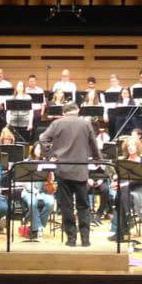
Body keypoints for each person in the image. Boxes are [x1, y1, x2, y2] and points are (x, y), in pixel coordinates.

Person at [40, 101, 101, 247]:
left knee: (66, 206)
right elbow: (93, 143)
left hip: (63, 169)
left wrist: (50, 155)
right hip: (81, 169)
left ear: (63, 112)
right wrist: (98, 159)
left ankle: (71, 239)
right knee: (83, 206)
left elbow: (43, 138)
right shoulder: (85, 123)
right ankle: (85, 240)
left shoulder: (57, 123)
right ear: (77, 110)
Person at [109, 135, 142, 241]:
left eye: (133, 145)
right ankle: (126, 219)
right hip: (124, 191)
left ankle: (121, 231)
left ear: (137, 147)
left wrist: (124, 184)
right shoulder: (123, 161)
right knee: (122, 194)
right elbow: (119, 177)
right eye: (128, 146)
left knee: (121, 195)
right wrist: (115, 183)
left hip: (138, 190)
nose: (130, 148)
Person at [19, 143, 54, 240]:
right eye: (38, 148)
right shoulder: (26, 162)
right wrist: (35, 192)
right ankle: (38, 229)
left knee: (51, 203)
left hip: (43, 191)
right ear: (33, 149)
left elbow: (50, 181)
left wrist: (51, 171)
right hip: (28, 191)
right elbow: (24, 182)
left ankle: (35, 226)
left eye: (41, 149)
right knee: (32, 203)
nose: (40, 151)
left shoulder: (46, 163)